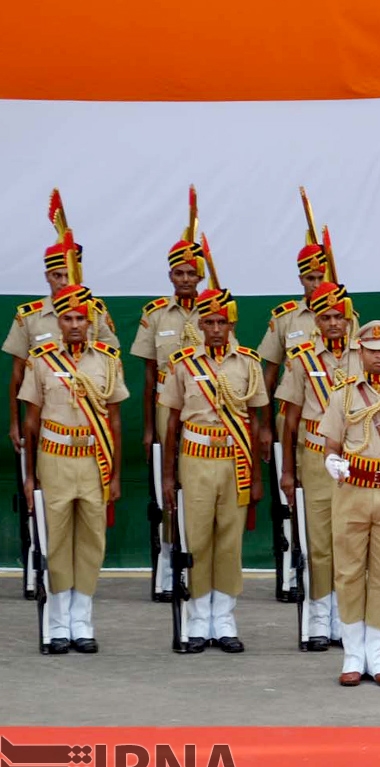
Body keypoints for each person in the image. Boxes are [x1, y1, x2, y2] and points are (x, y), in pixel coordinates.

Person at [19, 281, 128, 653]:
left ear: (92, 321)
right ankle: (57, 623)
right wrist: (30, 475)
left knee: (91, 542)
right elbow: (31, 421)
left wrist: (114, 473)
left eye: (81, 317)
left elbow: (114, 422)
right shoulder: (42, 360)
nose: (75, 324)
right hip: (54, 458)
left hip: (94, 460)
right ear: (59, 323)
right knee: (56, 540)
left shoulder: (108, 362)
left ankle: (82, 622)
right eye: (67, 317)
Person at [160, 279, 268, 654]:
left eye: (222, 322)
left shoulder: (249, 364)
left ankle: (224, 618)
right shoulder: (183, 364)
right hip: (196, 459)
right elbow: (171, 421)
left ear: (231, 325)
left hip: (234, 459)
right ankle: (197, 616)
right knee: (198, 539)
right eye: (209, 323)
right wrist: (168, 475)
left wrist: (255, 474)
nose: (217, 329)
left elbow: (255, 422)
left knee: (229, 541)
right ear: (200, 326)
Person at [317, 321, 380, 687]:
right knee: (347, 572)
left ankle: (378, 652)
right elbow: (330, 446)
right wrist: (332, 462)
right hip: (353, 491)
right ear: (360, 352)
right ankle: (352, 652)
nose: (379, 356)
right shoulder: (342, 395)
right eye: (372, 350)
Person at [277, 280, 361, 650]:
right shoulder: (302, 359)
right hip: (314, 457)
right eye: (325, 317)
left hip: (354, 458)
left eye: (338, 317)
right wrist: (288, 469)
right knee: (318, 541)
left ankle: (344, 618)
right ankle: (317, 618)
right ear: (317, 322)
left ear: (348, 321)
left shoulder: (364, 357)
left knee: (349, 540)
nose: (332, 324)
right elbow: (290, 418)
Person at [6, 190, 118, 454]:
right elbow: (17, 375)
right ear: (47, 277)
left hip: (89, 415)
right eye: (57, 276)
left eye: (69, 276)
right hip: (43, 413)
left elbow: (113, 364)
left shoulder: (95, 311)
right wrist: (15, 422)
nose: (64, 282)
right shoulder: (29, 316)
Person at [132, 187, 232, 461]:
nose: (186, 279)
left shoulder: (216, 313)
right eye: (179, 273)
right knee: (169, 470)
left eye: (191, 274)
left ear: (200, 278)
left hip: (208, 401)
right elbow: (150, 376)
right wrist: (150, 428)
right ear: (170, 275)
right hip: (167, 402)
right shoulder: (155, 314)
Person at [255, 237, 322, 458]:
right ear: (301, 279)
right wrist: (266, 425)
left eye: (321, 278)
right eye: (310, 278)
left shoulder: (347, 319)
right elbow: (270, 375)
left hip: (328, 414)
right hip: (291, 412)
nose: (316, 284)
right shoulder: (285, 318)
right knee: (289, 482)